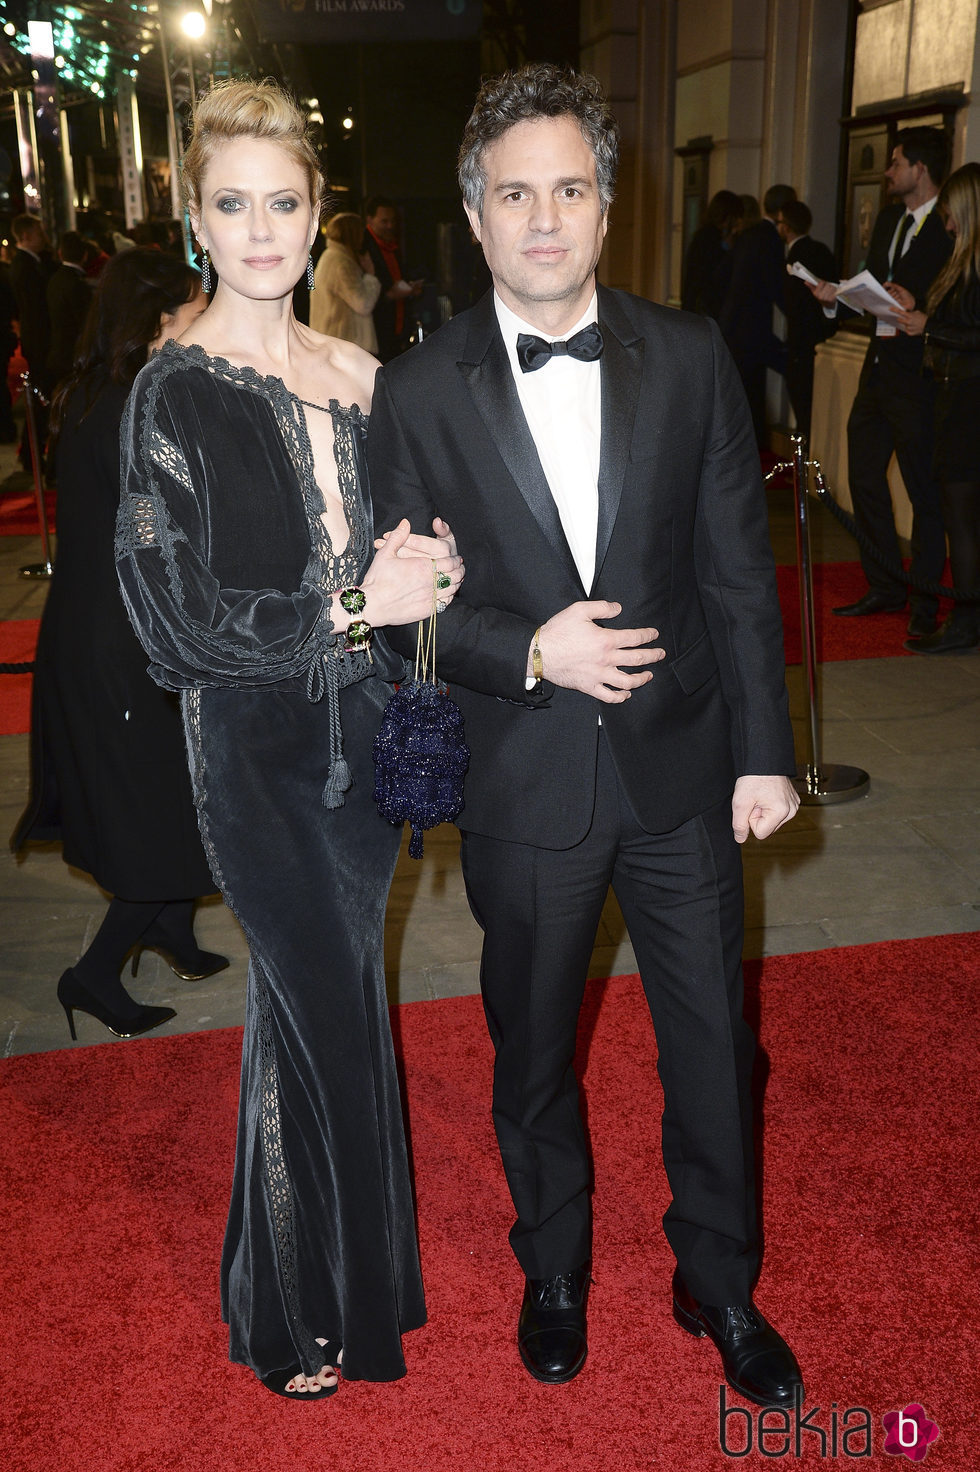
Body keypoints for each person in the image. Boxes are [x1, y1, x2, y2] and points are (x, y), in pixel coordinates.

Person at [368, 63, 803, 1408]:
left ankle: (719, 1281)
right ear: (476, 213)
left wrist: (766, 750)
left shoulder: (687, 356)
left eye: (568, 189)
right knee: (532, 1046)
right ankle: (552, 1266)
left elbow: (737, 569)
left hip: (683, 768)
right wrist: (528, 648)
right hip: (521, 777)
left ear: (608, 208)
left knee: (712, 1046)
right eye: (516, 193)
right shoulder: (418, 389)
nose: (543, 218)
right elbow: (401, 616)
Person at [114, 79, 463, 1399]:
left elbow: (408, 551)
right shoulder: (171, 393)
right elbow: (176, 622)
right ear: (195, 219)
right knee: (316, 1000)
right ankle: (297, 1314)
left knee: (331, 1010)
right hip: (252, 755)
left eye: (284, 203)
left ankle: (338, 1281)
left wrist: (425, 560)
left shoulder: (365, 375)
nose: (260, 231)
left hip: (367, 738)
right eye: (232, 205)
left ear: (320, 219)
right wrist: (362, 598)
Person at [11, 248, 225, 1040]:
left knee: (175, 794)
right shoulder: (139, 403)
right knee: (156, 819)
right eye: (198, 309)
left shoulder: (104, 388)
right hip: (124, 640)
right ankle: (93, 975)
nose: (209, 320)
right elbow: (165, 532)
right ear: (159, 322)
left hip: (101, 624)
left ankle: (171, 933)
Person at [809, 127, 952, 638]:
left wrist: (924, 311)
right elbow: (869, 280)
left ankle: (926, 601)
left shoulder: (949, 224)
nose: (888, 173)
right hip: (877, 367)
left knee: (922, 491)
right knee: (864, 476)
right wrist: (836, 295)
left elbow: (952, 296)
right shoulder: (891, 217)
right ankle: (886, 584)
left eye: (896, 163)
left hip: (918, 376)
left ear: (921, 168)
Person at [890, 161, 980, 653]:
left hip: (968, 406)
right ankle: (968, 617)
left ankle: (966, 622)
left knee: (961, 519)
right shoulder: (963, 260)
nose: (946, 224)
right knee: (958, 516)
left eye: (951, 214)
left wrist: (930, 326)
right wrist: (917, 308)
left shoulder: (976, 263)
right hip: (954, 400)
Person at [719, 183, 797, 445]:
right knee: (752, 395)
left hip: (740, 328)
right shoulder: (769, 238)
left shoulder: (750, 236)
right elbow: (773, 286)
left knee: (748, 395)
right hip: (752, 330)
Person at [777, 200, 837, 436]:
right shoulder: (821, 249)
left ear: (787, 226)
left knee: (804, 413)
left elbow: (792, 303)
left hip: (800, 344)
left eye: (779, 222)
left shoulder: (796, 256)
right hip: (820, 337)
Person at [9, 213, 55, 472]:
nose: (43, 238)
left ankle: (31, 453)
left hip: (38, 341)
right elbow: (35, 311)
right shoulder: (23, 266)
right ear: (26, 236)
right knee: (38, 401)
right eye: (38, 233)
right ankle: (31, 454)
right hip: (39, 343)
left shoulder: (33, 263)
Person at [310, 211, 381, 351]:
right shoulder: (341, 262)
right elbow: (363, 304)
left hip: (331, 342)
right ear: (353, 235)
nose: (363, 239)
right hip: (344, 345)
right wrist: (370, 276)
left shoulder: (330, 257)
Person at [363, 196, 422, 361]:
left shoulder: (392, 246)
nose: (390, 226)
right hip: (375, 332)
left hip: (396, 329)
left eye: (392, 221)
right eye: (384, 221)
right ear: (370, 220)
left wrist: (409, 290)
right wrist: (389, 296)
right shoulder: (363, 247)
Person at [681, 189, 743, 320]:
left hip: (697, 304)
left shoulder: (704, 234)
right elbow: (713, 274)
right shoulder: (711, 238)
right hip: (706, 306)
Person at [46, 229, 93, 388]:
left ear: (60, 253)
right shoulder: (78, 285)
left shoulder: (54, 279)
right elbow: (85, 323)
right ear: (85, 255)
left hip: (57, 350)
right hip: (74, 356)